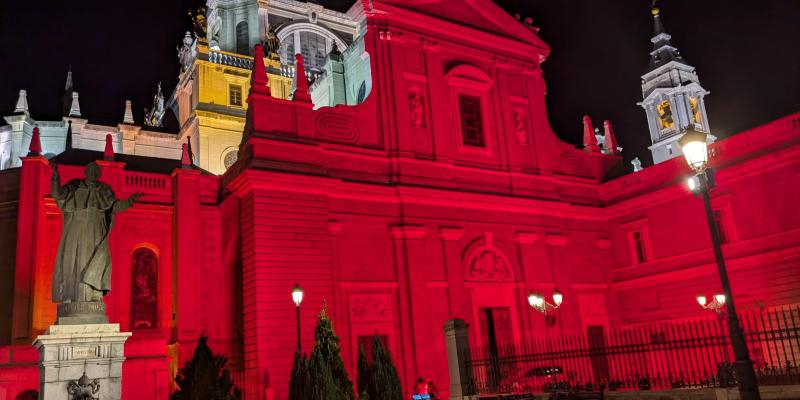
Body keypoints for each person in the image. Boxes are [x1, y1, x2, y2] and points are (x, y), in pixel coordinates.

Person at [51, 161, 142, 304]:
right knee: (75, 260)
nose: (92, 174)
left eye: (95, 172)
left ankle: (95, 294)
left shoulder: (104, 190)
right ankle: (72, 295)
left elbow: (117, 206)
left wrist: (131, 200)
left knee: (97, 259)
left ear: (98, 175)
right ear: (85, 172)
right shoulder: (75, 186)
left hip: (97, 231)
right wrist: (55, 176)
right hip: (77, 230)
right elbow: (57, 195)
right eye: (90, 171)